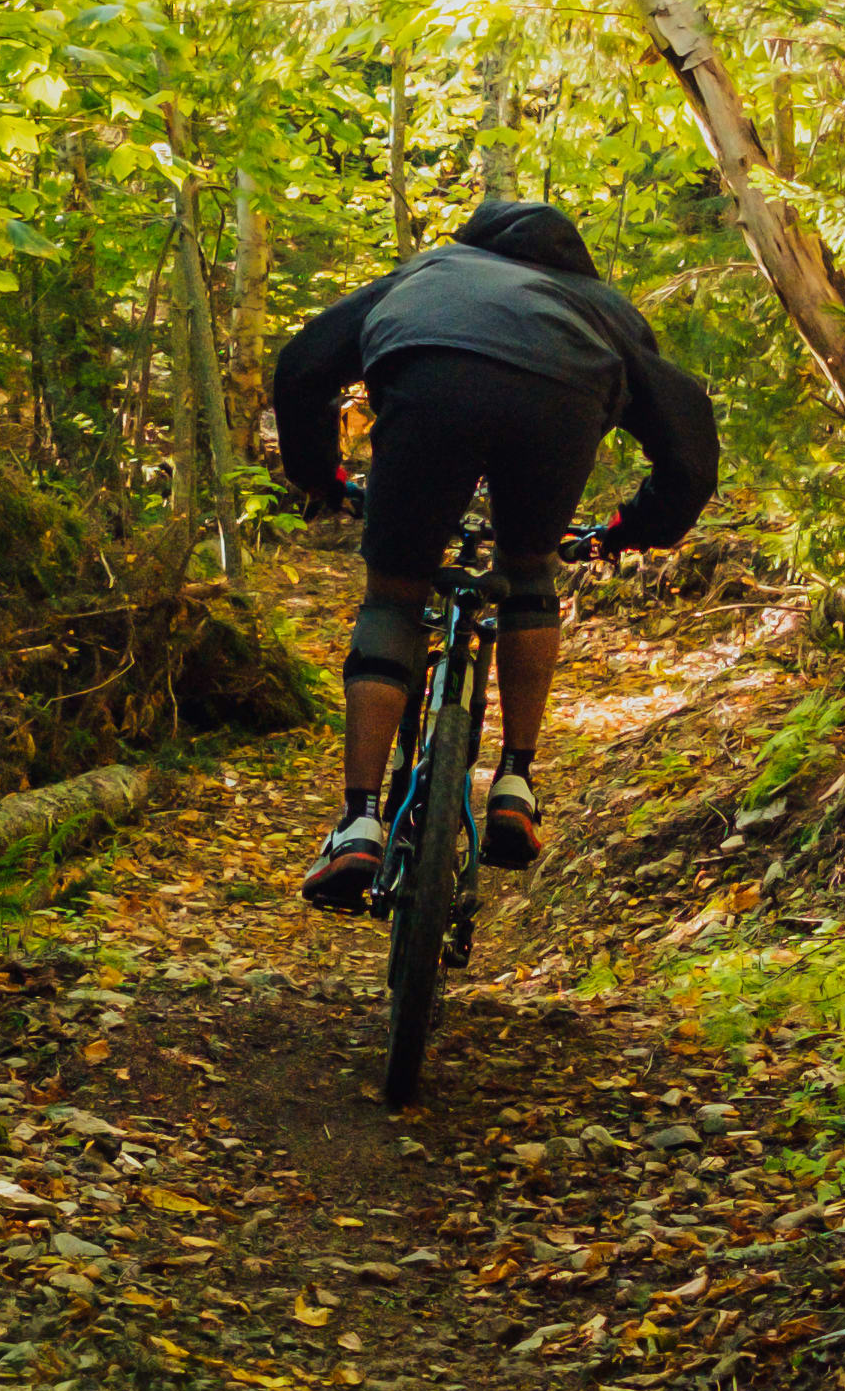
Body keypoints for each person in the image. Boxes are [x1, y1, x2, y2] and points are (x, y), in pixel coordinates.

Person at [268, 200, 716, 911]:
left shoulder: (429, 271)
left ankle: (357, 823)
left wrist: (321, 476)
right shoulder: (602, 308)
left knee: (394, 595)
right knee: (528, 565)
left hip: (430, 382)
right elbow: (688, 444)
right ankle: (515, 781)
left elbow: (300, 368)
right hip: (561, 398)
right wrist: (626, 531)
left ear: (475, 242)